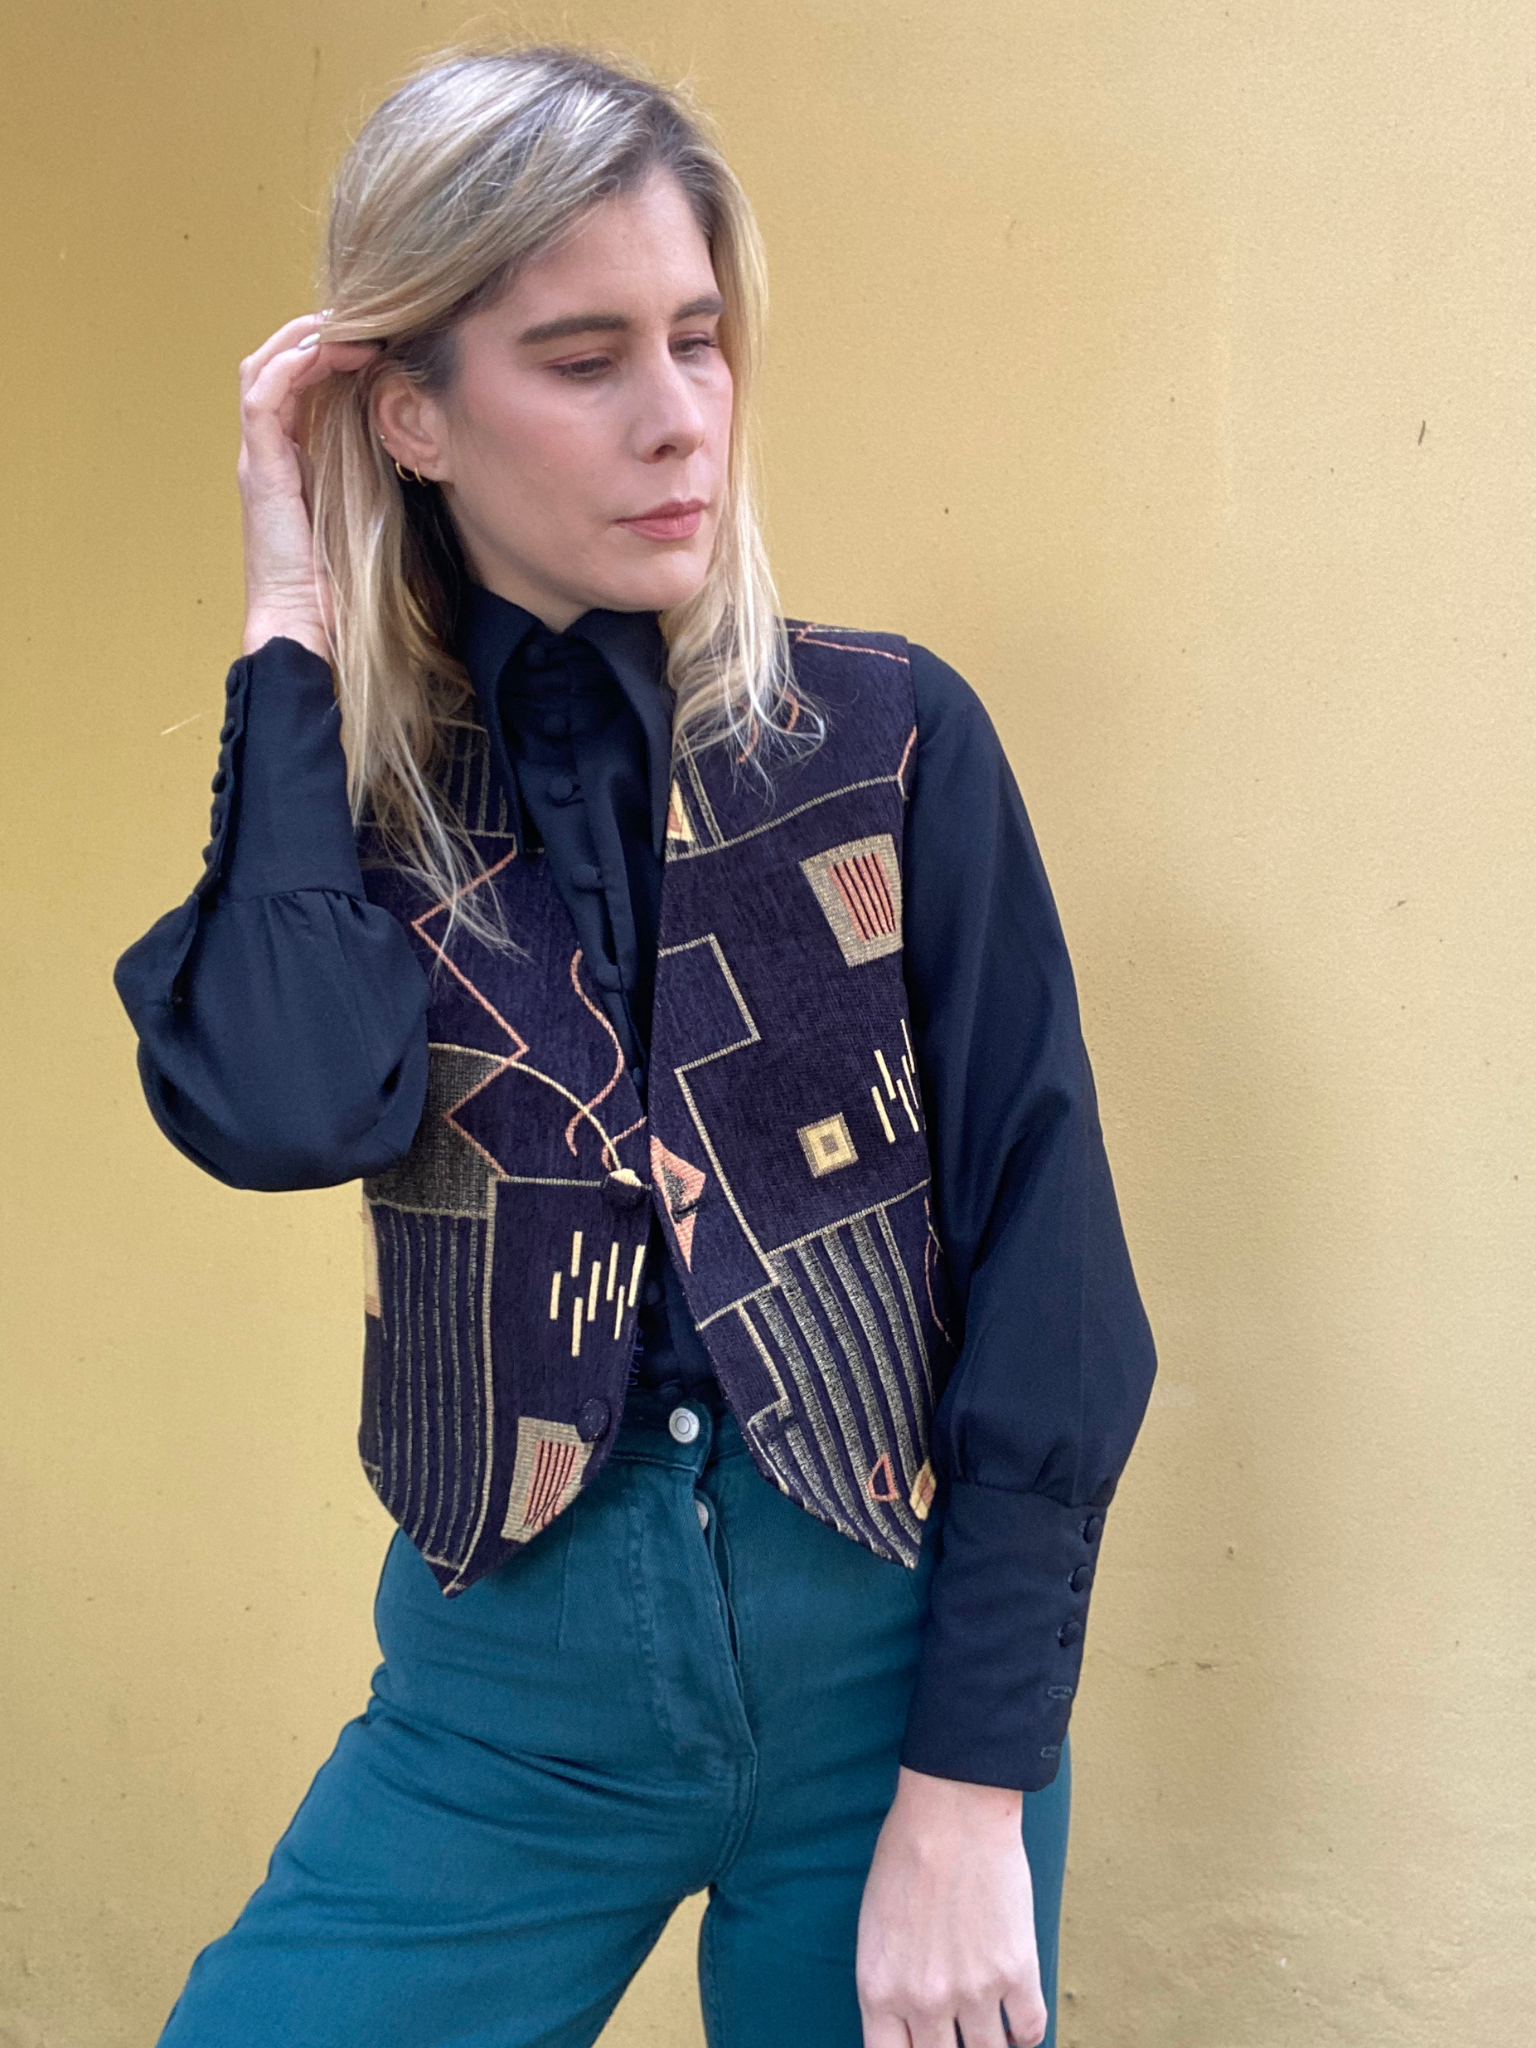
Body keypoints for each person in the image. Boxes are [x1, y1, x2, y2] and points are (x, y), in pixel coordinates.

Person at [113, 39, 1156, 2048]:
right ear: (413, 412)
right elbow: (287, 1102)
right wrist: (287, 614)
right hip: (511, 1700)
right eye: (583, 360)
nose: (678, 414)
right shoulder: (361, 820)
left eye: (698, 338)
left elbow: (1056, 1275)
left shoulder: (885, 742)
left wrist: (971, 1792)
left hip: (895, 1682)